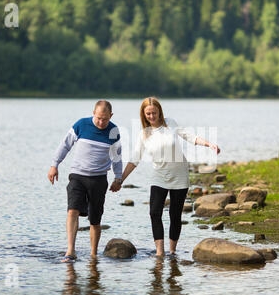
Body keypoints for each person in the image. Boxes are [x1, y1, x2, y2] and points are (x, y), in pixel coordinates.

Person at [120, 97, 220, 257]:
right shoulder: (144, 134)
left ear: (160, 112)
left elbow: (190, 136)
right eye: (148, 114)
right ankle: (160, 253)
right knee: (154, 213)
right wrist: (121, 179)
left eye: (154, 113)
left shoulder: (170, 123)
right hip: (158, 176)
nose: (151, 116)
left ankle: (172, 251)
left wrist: (209, 144)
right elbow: (134, 160)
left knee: (175, 215)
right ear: (143, 115)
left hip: (179, 176)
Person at [47, 100, 123, 262]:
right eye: (98, 118)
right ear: (93, 113)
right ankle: (70, 251)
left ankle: (93, 254)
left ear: (111, 116)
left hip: (99, 179)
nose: (101, 122)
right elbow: (65, 145)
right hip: (77, 176)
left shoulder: (113, 131)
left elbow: (116, 158)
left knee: (95, 219)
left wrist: (118, 178)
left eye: (105, 119)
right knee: (72, 211)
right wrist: (55, 165)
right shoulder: (81, 125)